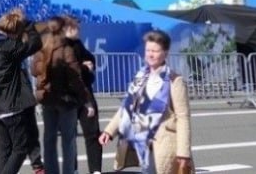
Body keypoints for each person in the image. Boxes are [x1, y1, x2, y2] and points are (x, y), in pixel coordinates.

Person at [100, 29, 192, 174]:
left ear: (165, 53)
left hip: (165, 144)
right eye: (148, 50)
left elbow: (183, 117)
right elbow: (127, 107)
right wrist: (109, 131)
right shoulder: (141, 76)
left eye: (155, 51)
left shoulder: (175, 81)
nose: (150, 54)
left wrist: (183, 152)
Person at [0, 8, 44, 174]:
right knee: (20, 148)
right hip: (11, 105)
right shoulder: (10, 47)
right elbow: (35, 43)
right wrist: (28, 24)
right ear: (15, 31)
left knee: (5, 147)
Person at [32, 17, 93, 174]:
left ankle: (51, 171)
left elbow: (34, 70)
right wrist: (86, 100)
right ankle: (68, 171)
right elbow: (76, 78)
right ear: (62, 29)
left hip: (47, 97)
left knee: (49, 139)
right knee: (68, 141)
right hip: (66, 99)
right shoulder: (66, 49)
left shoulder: (42, 46)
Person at [66, 17, 103, 174]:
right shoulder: (58, 46)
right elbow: (68, 70)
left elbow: (90, 58)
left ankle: (95, 170)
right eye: (77, 28)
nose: (79, 31)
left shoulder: (77, 43)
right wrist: (84, 67)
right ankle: (72, 169)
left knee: (92, 132)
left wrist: (88, 64)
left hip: (85, 92)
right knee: (69, 136)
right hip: (68, 96)